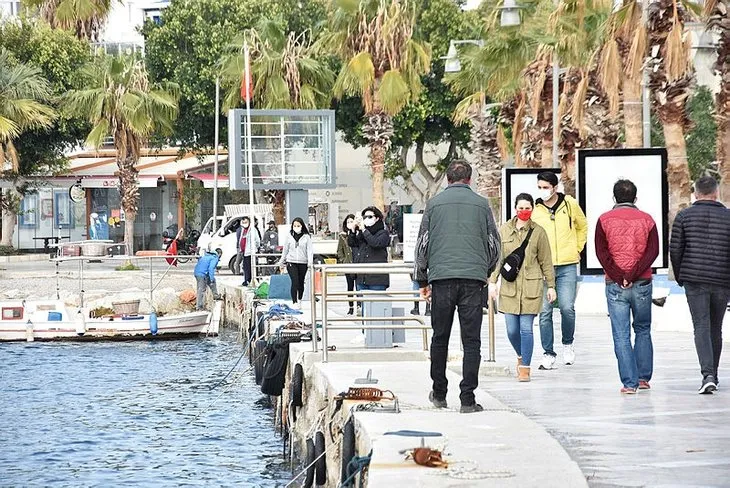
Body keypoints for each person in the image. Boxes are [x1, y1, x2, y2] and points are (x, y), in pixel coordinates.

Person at [415, 160, 501, 413]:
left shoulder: (434, 204)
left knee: (440, 337)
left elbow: (422, 244)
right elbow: (494, 244)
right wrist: (484, 271)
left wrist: (422, 279)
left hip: (441, 279)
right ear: (469, 180)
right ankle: (467, 399)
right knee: (471, 341)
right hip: (473, 281)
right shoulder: (482, 204)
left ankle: (439, 393)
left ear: (447, 180)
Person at [595, 180, 659, 394]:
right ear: (635, 198)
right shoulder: (647, 220)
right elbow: (653, 252)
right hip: (642, 283)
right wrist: (633, 275)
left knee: (621, 334)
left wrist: (620, 276)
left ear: (614, 198)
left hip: (615, 285)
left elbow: (601, 253)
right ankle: (643, 378)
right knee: (642, 329)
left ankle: (629, 383)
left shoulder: (604, 220)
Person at [670, 175, 730, 394]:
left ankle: (708, 375)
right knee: (716, 327)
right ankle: (713, 372)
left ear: (695, 193)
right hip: (722, 280)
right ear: (717, 193)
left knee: (701, 325)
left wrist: (680, 276)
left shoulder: (684, 216)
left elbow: (675, 249)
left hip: (694, 280)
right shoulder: (728, 217)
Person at [489, 193, 556, 383]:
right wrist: (492, 282)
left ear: (532, 209)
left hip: (531, 288)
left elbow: (546, 261)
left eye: (528, 208)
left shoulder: (539, 232)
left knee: (526, 329)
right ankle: (520, 354)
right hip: (510, 288)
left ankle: (525, 367)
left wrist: (551, 286)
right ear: (515, 208)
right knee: (512, 330)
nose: (524, 212)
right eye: (521, 208)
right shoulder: (503, 231)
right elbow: (498, 260)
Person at [532, 171, 588, 369]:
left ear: (555, 187)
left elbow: (583, 226)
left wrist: (577, 248)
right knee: (545, 311)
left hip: (567, 264)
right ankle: (548, 352)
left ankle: (568, 344)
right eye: (540, 187)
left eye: (546, 187)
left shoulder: (569, 204)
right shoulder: (536, 208)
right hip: (543, 267)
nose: (542, 191)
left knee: (567, 307)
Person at [352, 206, 391, 292]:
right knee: (362, 304)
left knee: (377, 303)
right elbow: (352, 243)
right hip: (362, 277)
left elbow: (375, 243)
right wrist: (353, 229)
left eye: (370, 217)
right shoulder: (362, 234)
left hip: (377, 279)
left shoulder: (383, 233)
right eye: (364, 217)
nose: (367, 219)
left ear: (377, 218)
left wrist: (364, 230)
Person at [278, 217, 314, 310]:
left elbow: (309, 250)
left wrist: (310, 262)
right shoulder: (289, 236)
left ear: (302, 226)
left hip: (303, 262)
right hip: (291, 262)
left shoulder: (306, 237)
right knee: (295, 281)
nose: (296, 227)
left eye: (298, 225)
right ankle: (294, 301)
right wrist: (281, 261)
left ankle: (300, 300)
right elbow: (285, 250)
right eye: (295, 225)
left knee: (301, 282)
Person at [337, 214, 357, 315]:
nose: (349, 224)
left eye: (351, 221)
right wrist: (343, 260)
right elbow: (339, 251)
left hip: (358, 264)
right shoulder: (342, 236)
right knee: (350, 287)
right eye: (348, 222)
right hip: (348, 265)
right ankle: (351, 306)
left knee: (359, 287)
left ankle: (359, 305)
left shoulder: (358, 234)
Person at [194, 245, 222, 311]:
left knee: (211, 282)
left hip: (198, 272)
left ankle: (215, 295)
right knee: (202, 289)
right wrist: (211, 278)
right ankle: (199, 307)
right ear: (219, 254)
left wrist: (211, 279)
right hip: (202, 274)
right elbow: (211, 268)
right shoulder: (214, 258)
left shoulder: (207, 256)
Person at [235, 216, 260, 286]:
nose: (244, 224)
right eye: (243, 222)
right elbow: (240, 239)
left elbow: (257, 240)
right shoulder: (242, 230)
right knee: (245, 267)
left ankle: (252, 279)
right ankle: (246, 280)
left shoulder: (253, 230)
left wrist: (255, 248)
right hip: (244, 252)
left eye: (246, 222)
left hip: (251, 252)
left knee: (251, 266)